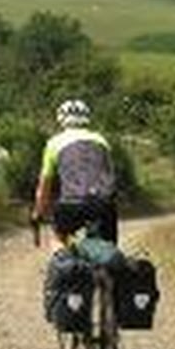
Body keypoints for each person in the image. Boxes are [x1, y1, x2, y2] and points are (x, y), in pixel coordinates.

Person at [32, 98, 118, 246]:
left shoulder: (54, 143)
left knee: (58, 238)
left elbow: (44, 186)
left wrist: (38, 213)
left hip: (71, 205)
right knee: (109, 248)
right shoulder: (101, 141)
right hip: (103, 205)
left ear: (61, 120)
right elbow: (110, 176)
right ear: (87, 118)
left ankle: (62, 262)